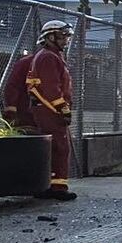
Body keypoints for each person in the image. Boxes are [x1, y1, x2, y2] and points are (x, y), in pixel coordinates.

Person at [26, 20, 77, 201]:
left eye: (66, 37)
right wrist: (62, 108)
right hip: (49, 110)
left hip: (47, 109)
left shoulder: (51, 56)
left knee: (56, 148)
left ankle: (53, 185)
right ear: (50, 37)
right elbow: (51, 87)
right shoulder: (48, 57)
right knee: (59, 148)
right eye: (62, 37)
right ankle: (56, 188)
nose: (65, 40)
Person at [2, 51, 36, 133]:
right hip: (27, 119)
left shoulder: (57, 62)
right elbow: (12, 87)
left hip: (41, 118)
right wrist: (11, 112)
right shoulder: (27, 63)